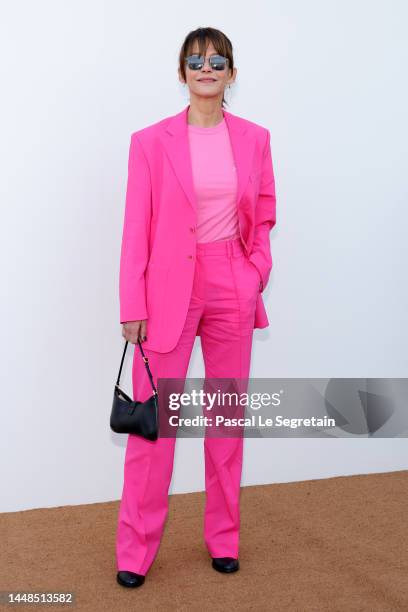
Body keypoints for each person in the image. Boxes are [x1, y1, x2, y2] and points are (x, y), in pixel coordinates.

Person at [115, 26, 277, 588]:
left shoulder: (255, 139)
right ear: (181, 72)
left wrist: (254, 272)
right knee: (155, 424)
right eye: (195, 59)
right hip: (166, 293)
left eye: (217, 60)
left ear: (231, 74)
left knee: (226, 418)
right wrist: (131, 302)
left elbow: (265, 211)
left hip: (232, 279)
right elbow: (136, 228)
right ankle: (135, 552)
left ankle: (224, 538)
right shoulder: (149, 141)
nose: (206, 67)